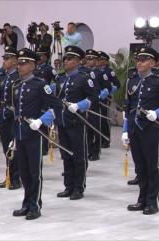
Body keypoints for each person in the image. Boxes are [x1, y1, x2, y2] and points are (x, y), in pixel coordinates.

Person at [122, 47, 159, 215]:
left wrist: (158, 113)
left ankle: (152, 201)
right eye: (138, 59)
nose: (139, 62)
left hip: (150, 129)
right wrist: (125, 130)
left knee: (152, 165)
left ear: (153, 62)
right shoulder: (132, 80)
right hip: (135, 128)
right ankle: (142, 199)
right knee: (140, 166)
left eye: (144, 59)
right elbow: (128, 108)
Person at [11, 48, 62, 220]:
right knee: (24, 172)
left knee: (34, 172)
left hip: (34, 133)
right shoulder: (16, 85)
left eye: (24, 63)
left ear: (33, 65)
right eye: (19, 62)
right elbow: (14, 112)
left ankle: (35, 205)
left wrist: (41, 121)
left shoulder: (41, 85)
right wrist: (13, 136)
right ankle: (26, 203)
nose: (20, 66)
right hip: (20, 133)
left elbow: (57, 106)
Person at [55, 46, 98, 200]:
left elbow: (93, 98)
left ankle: (78, 188)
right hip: (63, 121)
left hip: (76, 122)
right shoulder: (60, 78)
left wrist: (79, 106)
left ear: (79, 61)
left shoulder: (84, 78)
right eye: (65, 58)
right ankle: (68, 186)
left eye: (70, 59)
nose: (66, 61)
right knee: (66, 155)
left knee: (78, 156)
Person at [0, 46, 22, 190]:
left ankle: (16, 178)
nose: (4, 61)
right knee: (6, 149)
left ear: (15, 61)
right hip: (4, 115)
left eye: (7, 58)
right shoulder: (3, 76)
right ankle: (9, 176)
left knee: (13, 149)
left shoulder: (18, 77)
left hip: (13, 117)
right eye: (4, 58)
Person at [97, 51, 120, 148]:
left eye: (101, 59)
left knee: (104, 118)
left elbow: (117, 84)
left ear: (106, 61)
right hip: (94, 97)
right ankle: (98, 139)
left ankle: (106, 140)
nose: (98, 61)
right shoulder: (95, 71)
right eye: (97, 59)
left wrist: (108, 94)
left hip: (104, 98)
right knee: (96, 119)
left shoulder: (109, 71)